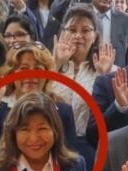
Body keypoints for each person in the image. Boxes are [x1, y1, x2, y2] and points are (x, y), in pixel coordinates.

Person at [51, 6, 117, 138]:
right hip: (52, 139)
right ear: (63, 33)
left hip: (89, 141)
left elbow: (111, 114)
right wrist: (56, 64)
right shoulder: (47, 66)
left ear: (95, 36)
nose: (78, 36)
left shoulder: (109, 69)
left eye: (85, 30)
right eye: (72, 30)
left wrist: (103, 77)